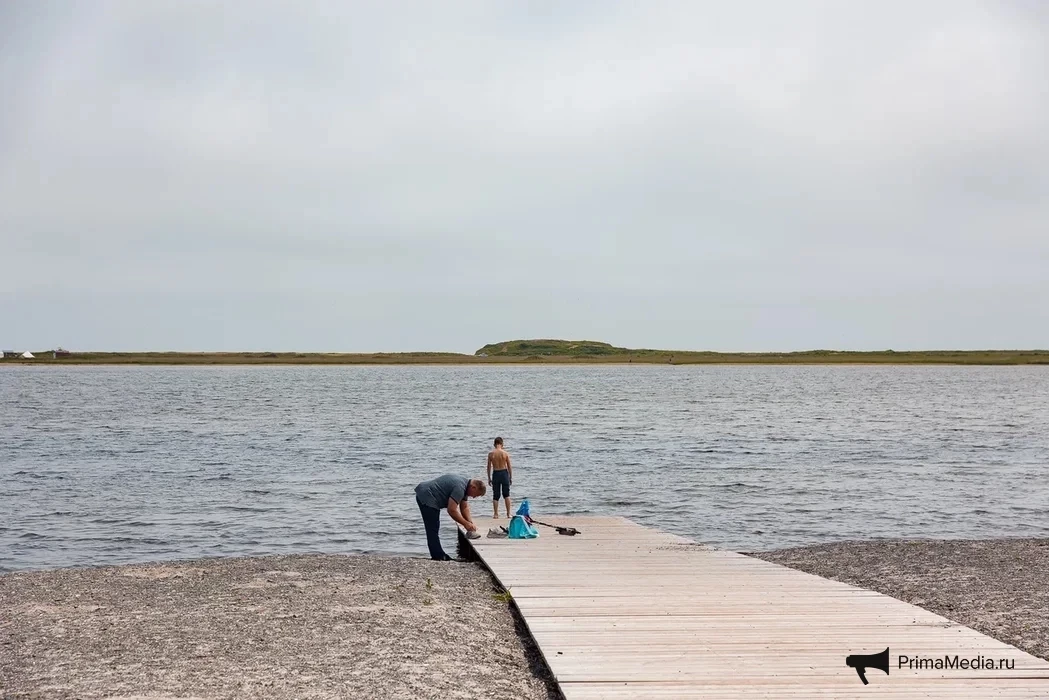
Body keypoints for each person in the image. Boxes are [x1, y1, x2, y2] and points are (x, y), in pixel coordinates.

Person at [414, 474, 485, 561]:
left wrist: (470, 522)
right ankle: (438, 556)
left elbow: (464, 507)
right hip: (427, 495)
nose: (473, 497)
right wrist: (465, 523)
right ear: (473, 487)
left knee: (433, 527)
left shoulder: (465, 486)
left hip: (425, 491)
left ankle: (438, 554)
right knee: (432, 527)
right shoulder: (460, 488)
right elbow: (451, 510)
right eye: (476, 495)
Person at [486, 437, 513, 518]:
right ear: (502, 444)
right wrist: (510, 477)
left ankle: (496, 514)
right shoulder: (505, 453)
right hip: (504, 473)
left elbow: (488, 467)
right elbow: (509, 467)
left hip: (496, 473)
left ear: (494, 444)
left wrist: (489, 478)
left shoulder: (491, 454)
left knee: (496, 495)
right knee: (506, 494)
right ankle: (508, 514)